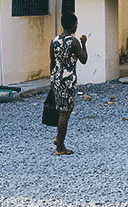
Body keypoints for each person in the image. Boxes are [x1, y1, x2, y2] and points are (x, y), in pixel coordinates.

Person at [49, 11, 87, 155]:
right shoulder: (74, 41)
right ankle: (60, 147)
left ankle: (59, 138)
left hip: (56, 77)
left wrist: (52, 80)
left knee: (64, 109)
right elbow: (84, 59)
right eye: (76, 24)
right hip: (68, 79)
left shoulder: (54, 41)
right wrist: (84, 44)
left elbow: (52, 63)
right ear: (72, 25)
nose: (76, 27)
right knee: (65, 112)